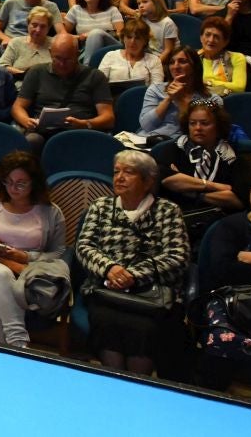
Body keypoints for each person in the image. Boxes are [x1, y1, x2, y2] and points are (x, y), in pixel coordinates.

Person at [76, 150, 190, 376]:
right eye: (116, 171)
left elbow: (178, 256)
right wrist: (111, 269)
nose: (119, 177)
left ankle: (139, 385)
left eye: (129, 172)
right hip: (105, 290)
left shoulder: (168, 211)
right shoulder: (100, 207)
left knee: (144, 328)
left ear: (148, 181)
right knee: (104, 320)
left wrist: (134, 275)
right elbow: (84, 246)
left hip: (150, 294)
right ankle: (115, 383)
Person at [0, 152, 68, 349]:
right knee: (1, 273)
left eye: (21, 183)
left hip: (28, 272)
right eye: (8, 182)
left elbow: (58, 252)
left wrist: (26, 256)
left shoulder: (51, 212)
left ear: (34, 182)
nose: (13, 189)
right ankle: (19, 344)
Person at [196, 163, 251, 383]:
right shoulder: (229, 227)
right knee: (222, 339)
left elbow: (238, 270)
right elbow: (222, 272)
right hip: (232, 301)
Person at [152, 99, 244, 249]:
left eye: (205, 123)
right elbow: (167, 180)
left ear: (218, 126)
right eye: (192, 123)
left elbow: (237, 200)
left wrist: (190, 190)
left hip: (214, 225)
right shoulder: (173, 149)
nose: (198, 128)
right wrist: (216, 187)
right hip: (171, 221)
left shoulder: (230, 157)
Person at [12, 33, 114, 150]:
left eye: (67, 59)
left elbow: (108, 118)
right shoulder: (37, 72)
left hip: (80, 131)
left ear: (77, 54)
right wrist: (27, 121)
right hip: (43, 132)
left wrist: (85, 123)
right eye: (57, 58)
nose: (62, 64)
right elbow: (17, 107)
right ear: (50, 53)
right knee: (31, 141)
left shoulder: (95, 76)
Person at [98, 18, 165, 90]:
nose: (132, 41)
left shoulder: (154, 60)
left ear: (145, 41)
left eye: (137, 38)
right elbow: (99, 86)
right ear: (123, 38)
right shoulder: (110, 56)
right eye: (129, 37)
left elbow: (157, 90)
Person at [0, 6, 54, 78]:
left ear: (49, 28)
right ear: (28, 24)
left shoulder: (55, 44)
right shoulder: (16, 42)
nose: (38, 30)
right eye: (34, 25)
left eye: (43, 26)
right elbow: (1, 66)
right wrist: (23, 74)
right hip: (19, 85)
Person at [198, 16, 246, 96]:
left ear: (225, 42)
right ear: (201, 37)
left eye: (216, 37)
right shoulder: (193, 57)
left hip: (227, 102)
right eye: (207, 35)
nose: (211, 40)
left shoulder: (237, 58)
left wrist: (209, 82)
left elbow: (239, 87)